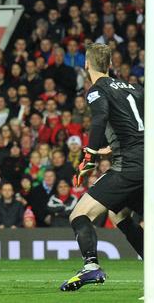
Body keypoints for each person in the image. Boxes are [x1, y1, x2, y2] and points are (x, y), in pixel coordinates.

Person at [60, 43, 145, 291]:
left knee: (79, 214)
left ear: (87, 64)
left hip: (129, 164)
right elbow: (136, 124)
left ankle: (91, 266)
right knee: (119, 214)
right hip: (147, 160)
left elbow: (100, 118)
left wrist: (89, 155)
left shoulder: (97, 90)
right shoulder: (133, 87)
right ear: (109, 64)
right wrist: (110, 147)